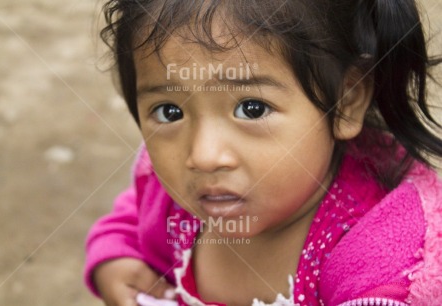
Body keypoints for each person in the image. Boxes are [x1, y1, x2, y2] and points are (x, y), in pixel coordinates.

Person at [84, 0, 442, 305]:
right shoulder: (170, 188)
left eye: (252, 108)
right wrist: (117, 259)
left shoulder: (381, 262)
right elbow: (135, 216)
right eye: (170, 112)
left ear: (346, 101)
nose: (204, 156)